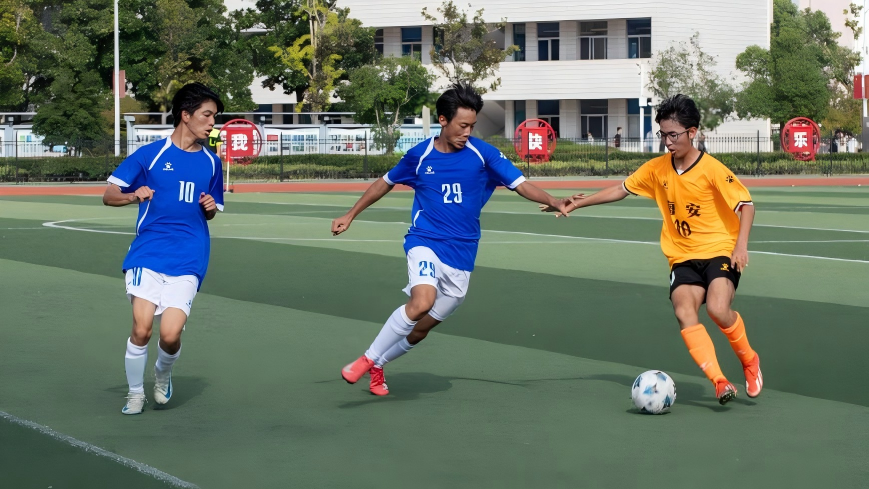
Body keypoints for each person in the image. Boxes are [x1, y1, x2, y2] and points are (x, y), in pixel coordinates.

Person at [332, 83, 572, 396]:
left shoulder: (483, 154)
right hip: (425, 241)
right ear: (443, 120)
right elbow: (385, 182)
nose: (467, 132)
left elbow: (521, 184)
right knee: (421, 302)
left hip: (462, 253)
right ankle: (366, 359)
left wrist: (554, 201)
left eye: (472, 126)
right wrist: (351, 214)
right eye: (462, 126)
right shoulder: (420, 156)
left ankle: (378, 365)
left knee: (421, 330)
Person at [542, 94, 762, 405]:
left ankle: (749, 359)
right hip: (682, 256)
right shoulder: (657, 168)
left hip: (719, 250)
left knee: (717, 309)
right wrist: (576, 203)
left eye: (674, 135)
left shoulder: (712, 169)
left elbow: (746, 205)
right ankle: (719, 381)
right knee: (684, 311)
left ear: (692, 132)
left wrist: (741, 247)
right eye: (663, 135)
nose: (667, 142)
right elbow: (621, 189)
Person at [103, 83, 225, 414]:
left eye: (214, 116)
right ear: (185, 115)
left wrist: (210, 208)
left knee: (170, 336)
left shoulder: (212, 163)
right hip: (149, 251)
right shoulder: (150, 154)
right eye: (207, 115)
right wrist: (133, 195)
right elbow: (109, 194)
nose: (212, 122)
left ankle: (162, 373)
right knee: (142, 328)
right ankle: (135, 394)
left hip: (189, 255)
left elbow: (211, 210)